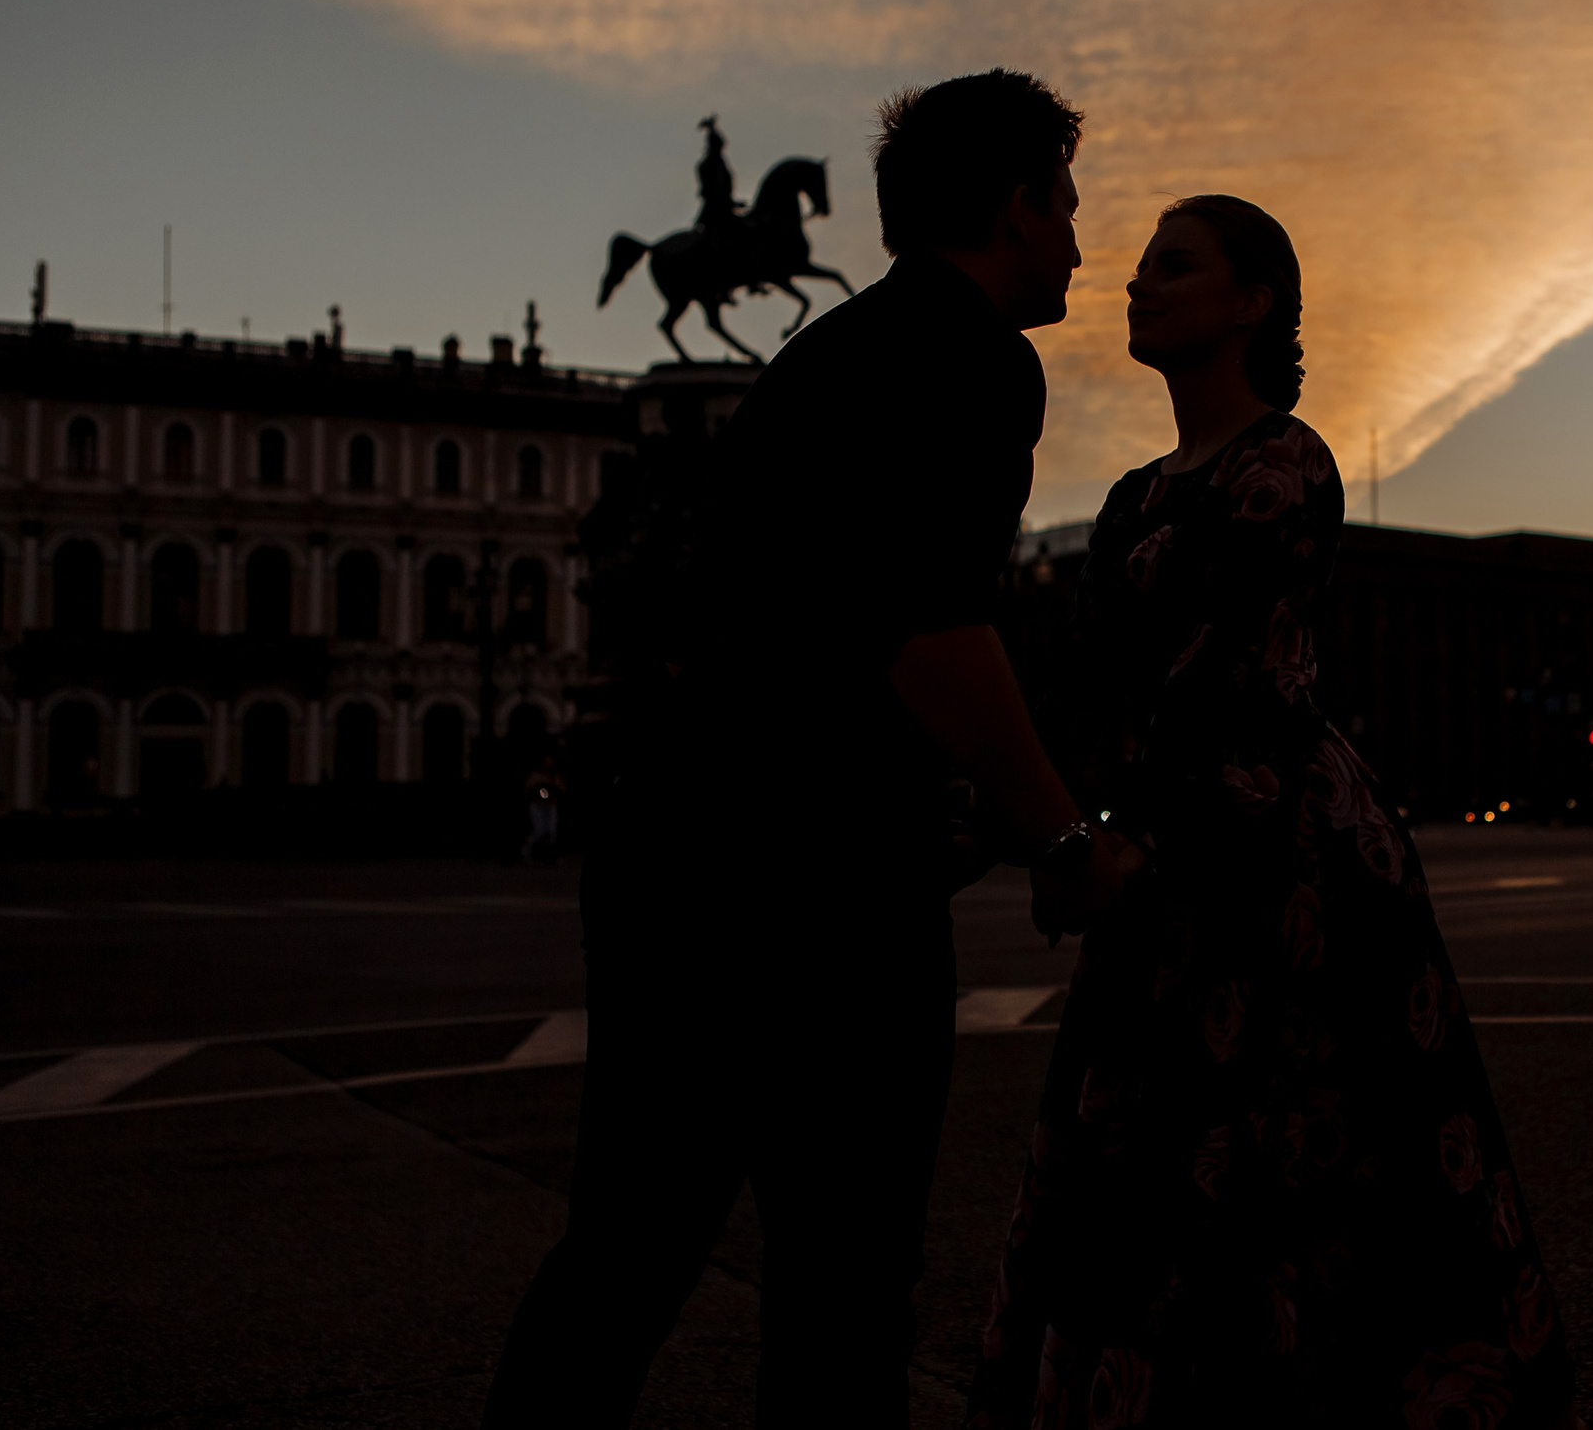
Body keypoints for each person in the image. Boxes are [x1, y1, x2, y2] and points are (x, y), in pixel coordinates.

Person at [484, 69, 1140, 1429]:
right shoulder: (972, 356)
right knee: (842, 1292)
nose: (1078, 243)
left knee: (626, 1255)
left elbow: (808, 622)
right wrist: (1063, 838)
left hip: (676, 854)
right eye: (1065, 207)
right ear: (1014, 206)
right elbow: (928, 625)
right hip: (821, 893)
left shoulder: (830, 355)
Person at [967, 196, 1579, 1428]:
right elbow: (1104, 693)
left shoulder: (1284, 462)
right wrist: (1056, 829)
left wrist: (1103, 842)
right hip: (1158, 840)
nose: (1138, 284)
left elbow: (1226, 679)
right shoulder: (1135, 493)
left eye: (1174, 267)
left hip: (1277, 857)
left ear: (1252, 303)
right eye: (1139, 266)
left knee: (1301, 1156)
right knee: (1159, 1157)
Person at [694, 113, 742, 237]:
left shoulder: (718, 163)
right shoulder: (711, 165)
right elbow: (717, 192)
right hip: (715, 210)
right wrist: (730, 203)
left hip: (722, 206)